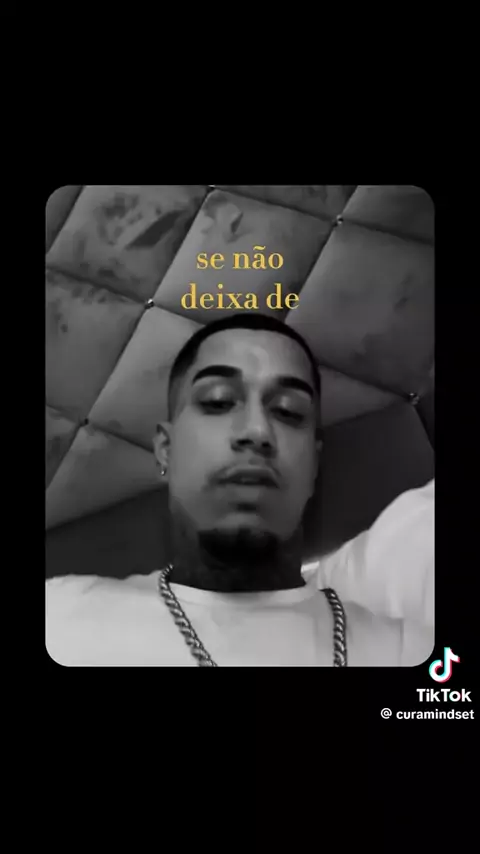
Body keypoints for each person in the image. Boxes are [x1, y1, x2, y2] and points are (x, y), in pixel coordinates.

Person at [46, 314, 434, 667]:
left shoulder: (410, 651)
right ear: (166, 449)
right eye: (218, 402)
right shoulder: (60, 618)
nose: (257, 431)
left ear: (314, 465)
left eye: (288, 411)